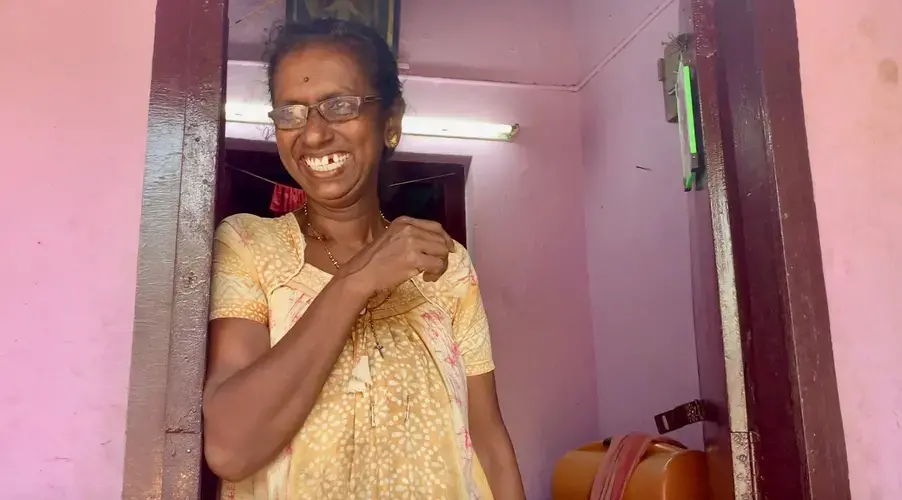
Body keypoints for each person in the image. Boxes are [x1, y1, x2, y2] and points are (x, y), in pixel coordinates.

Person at [202, 18, 525, 500]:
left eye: (339, 106)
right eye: (291, 113)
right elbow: (230, 448)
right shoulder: (249, 246)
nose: (312, 135)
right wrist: (356, 282)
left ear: (390, 121)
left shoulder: (447, 266)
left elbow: (490, 444)